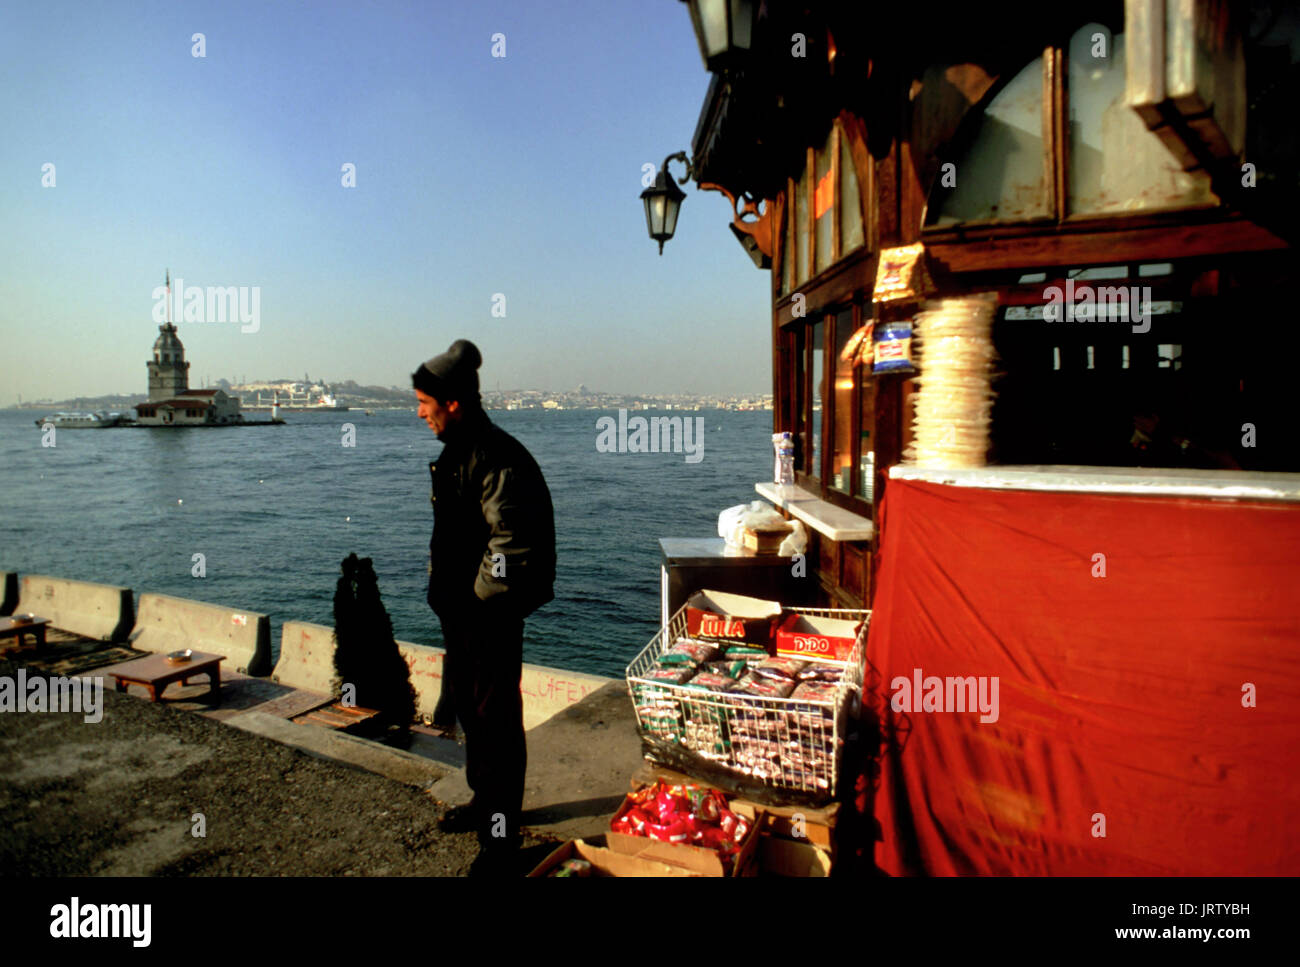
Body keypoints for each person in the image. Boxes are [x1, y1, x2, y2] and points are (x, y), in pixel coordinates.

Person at [413, 339, 556, 875]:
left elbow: (509, 544)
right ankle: (484, 803)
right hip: (463, 613)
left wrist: (478, 600)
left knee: (495, 723)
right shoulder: (465, 448)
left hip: (486, 616)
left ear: (453, 402)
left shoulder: (493, 457)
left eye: (425, 402)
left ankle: (500, 838)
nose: (420, 413)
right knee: (473, 712)